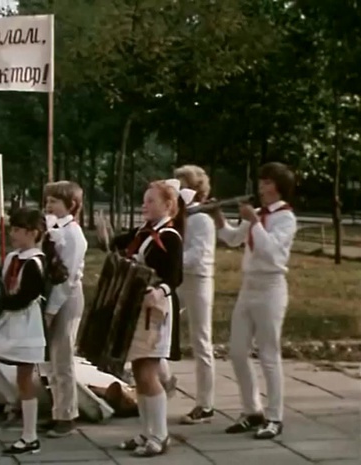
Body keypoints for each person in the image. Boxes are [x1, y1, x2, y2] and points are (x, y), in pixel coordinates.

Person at [210, 162, 297, 440]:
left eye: (267, 182)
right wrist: (218, 217)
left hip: (271, 287)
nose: (261, 187)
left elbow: (270, 251)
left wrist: (255, 223)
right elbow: (233, 239)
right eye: (261, 182)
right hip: (248, 287)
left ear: (279, 187)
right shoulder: (257, 214)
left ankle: (274, 416)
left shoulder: (286, 218)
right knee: (237, 351)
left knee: (269, 354)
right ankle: (252, 410)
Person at [112, 179, 191, 457]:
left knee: (147, 372)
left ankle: (160, 434)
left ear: (168, 205)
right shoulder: (145, 232)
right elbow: (119, 244)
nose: (144, 205)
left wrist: (159, 291)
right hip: (140, 308)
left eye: (151, 201)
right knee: (140, 372)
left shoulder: (170, 236)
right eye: (144, 200)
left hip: (156, 311)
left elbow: (175, 276)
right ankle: (147, 432)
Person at [0, 207, 47, 455]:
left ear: (33, 233)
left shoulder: (35, 263)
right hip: (9, 321)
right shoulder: (13, 257)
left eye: (18, 229)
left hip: (27, 325)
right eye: (12, 229)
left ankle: (29, 436)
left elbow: (23, 298)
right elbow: (0, 282)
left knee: (25, 379)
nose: (12, 234)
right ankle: (11, 399)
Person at [41, 180, 88, 438]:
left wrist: (51, 310)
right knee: (52, 358)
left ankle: (68, 415)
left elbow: (67, 278)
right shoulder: (55, 228)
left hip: (66, 296)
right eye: (48, 201)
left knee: (63, 356)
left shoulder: (73, 234)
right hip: (53, 292)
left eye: (54, 201)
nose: (49, 205)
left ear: (71, 205)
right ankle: (57, 411)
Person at [174, 165, 217, 425]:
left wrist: (171, 261)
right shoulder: (181, 215)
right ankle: (163, 381)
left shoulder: (201, 219)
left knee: (201, 340)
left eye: (183, 186)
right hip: (180, 279)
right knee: (158, 325)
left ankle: (205, 404)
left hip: (198, 280)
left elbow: (196, 255)